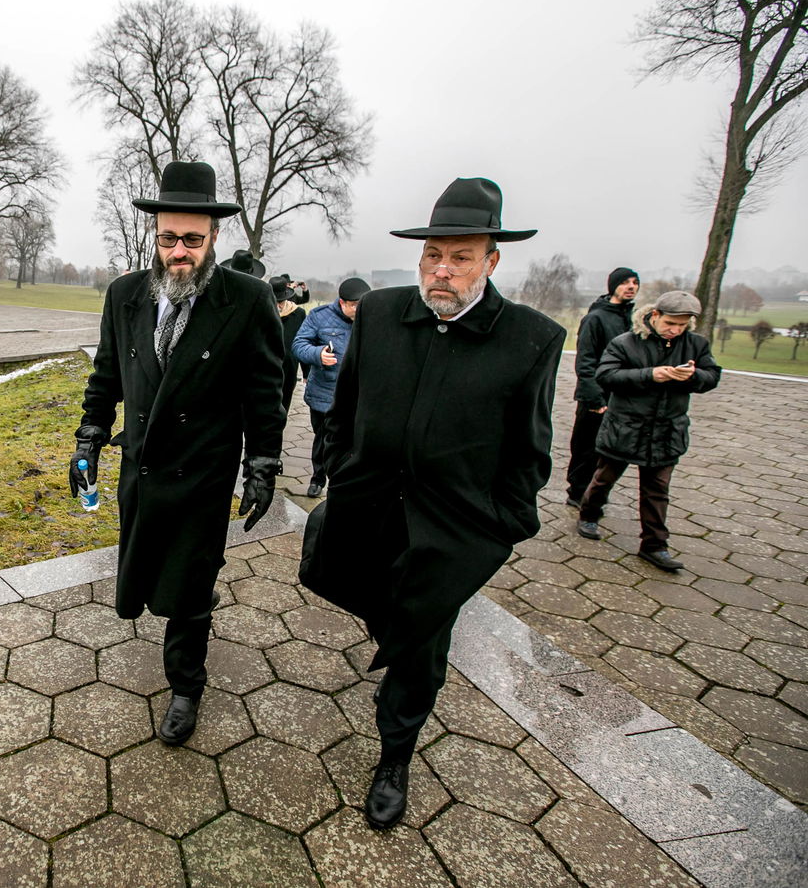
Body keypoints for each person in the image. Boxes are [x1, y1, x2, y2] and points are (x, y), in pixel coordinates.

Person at [300, 177, 564, 830]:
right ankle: (390, 624)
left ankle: (395, 753)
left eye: (461, 257)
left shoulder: (531, 339)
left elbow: (529, 456)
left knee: (419, 645)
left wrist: (498, 528)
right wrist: (338, 469)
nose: (442, 271)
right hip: (366, 509)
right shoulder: (385, 314)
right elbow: (346, 404)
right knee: (333, 571)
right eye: (432, 255)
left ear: (492, 260)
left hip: (447, 532)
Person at [71, 161, 286, 747]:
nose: (179, 252)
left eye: (192, 239)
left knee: (189, 588)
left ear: (215, 238)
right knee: (145, 569)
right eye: (168, 238)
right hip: (142, 465)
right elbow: (107, 374)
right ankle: (183, 612)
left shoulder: (246, 299)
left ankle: (187, 684)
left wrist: (262, 463)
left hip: (203, 473)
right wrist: (90, 435)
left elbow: (265, 393)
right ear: (155, 236)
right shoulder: (125, 295)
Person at [576, 291, 721, 571]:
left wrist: (693, 376)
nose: (676, 330)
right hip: (625, 427)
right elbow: (606, 375)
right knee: (604, 477)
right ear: (654, 316)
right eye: (670, 323)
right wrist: (649, 374)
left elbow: (712, 376)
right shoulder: (625, 343)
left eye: (682, 324)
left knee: (657, 491)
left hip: (667, 431)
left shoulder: (696, 345)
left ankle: (655, 545)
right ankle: (589, 514)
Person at [565, 267, 640, 506]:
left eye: (635, 282)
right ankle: (577, 492)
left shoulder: (631, 319)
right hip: (596, 394)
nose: (631, 286)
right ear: (613, 286)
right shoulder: (595, 318)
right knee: (586, 447)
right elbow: (585, 360)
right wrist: (594, 398)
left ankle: (595, 492)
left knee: (609, 448)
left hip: (620, 394)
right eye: (625, 282)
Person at [292, 276, 370, 498]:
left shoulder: (372, 317)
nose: (358, 309)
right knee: (323, 439)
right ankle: (318, 478)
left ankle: (343, 480)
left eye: (362, 304)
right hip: (325, 394)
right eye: (354, 305)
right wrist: (318, 355)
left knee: (352, 442)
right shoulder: (319, 316)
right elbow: (299, 345)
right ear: (342, 302)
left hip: (358, 396)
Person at [271, 276, 307, 410]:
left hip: (289, 366)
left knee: (284, 402)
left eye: (280, 301)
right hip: (266, 364)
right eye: (275, 301)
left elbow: (304, 341)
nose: (278, 305)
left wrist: (306, 372)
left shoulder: (298, 314)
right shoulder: (261, 310)